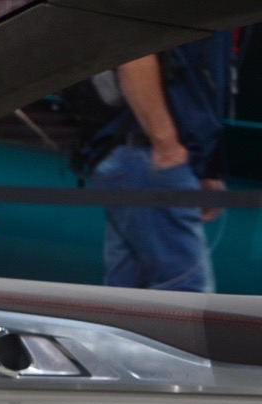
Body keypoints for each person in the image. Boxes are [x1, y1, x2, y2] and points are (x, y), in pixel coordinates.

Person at [84, 37, 233, 292]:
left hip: (142, 155)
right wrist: (166, 147)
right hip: (147, 156)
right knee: (185, 292)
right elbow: (134, 55)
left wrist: (206, 167)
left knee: (129, 290)